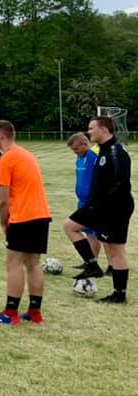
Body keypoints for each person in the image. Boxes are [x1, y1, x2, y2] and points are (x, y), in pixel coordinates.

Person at [0, 120, 51, 325]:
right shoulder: (26, 154)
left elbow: (3, 200)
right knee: (33, 263)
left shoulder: (7, 158)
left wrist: (4, 223)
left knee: (13, 263)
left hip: (23, 217)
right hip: (41, 215)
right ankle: (35, 312)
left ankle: (10, 313)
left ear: (1, 136)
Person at [64, 117, 133, 303]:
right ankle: (92, 265)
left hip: (115, 208)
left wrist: (100, 204)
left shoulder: (116, 152)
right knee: (70, 226)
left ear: (103, 129)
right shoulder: (103, 151)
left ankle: (119, 294)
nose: (89, 132)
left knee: (115, 250)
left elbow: (120, 184)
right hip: (99, 207)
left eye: (91, 128)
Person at [66, 132, 103, 270]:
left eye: (76, 149)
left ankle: (94, 262)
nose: (75, 152)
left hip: (92, 202)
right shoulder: (79, 158)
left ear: (85, 144)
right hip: (82, 201)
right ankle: (90, 261)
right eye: (73, 150)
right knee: (88, 232)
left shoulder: (93, 157)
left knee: (93, 233)